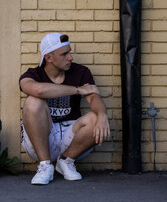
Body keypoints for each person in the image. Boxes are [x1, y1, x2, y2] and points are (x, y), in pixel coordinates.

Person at [19, 33, 110, 185]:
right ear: (49, 58)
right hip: (42, 138)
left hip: (72, 138)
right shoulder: (32, 75)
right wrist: (77, 90)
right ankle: (45, 165)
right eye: (64, 54)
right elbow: (38, 90)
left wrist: (102, 114)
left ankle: (66, 162)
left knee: (96, 117)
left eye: (69, 52)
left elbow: (94, 97)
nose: (70, 58)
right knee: (33, 101)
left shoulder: (81, 72)